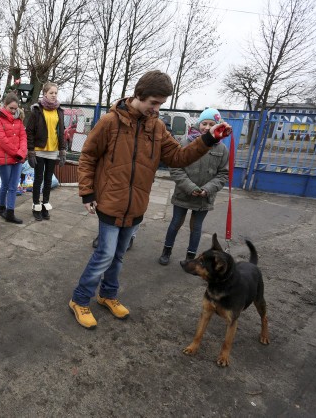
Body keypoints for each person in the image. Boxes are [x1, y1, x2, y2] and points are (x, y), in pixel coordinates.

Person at [69, 70, 232, 329]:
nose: (156, 109)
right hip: (110, 201)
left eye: (161, 104)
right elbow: (87, 156)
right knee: (104, 254)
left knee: (119, 255)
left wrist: (209, 139)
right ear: (138, 95)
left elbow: (178, 157)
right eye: (153, 103)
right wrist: (87, 192)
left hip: (136, 204)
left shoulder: (156, 127)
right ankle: (79, 299)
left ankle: (107, 295)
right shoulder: (110, 122)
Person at [158, 108, 229, 266]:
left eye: (212, 124)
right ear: (199, 123)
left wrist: (207, 189)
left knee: (196, 227)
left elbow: (223, 174)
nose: (207, 127)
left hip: (204, 197)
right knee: (176, 223)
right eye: (204, 123)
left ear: (217, 126)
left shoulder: (222, 149)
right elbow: (176, 167)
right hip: (184, 193)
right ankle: (166, 251)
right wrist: (190, 187)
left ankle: (191, 258)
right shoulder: (185, 142)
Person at [25, 82, 66, 221]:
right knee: (38, 179)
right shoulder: (37, 110)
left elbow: (61, 132)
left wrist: (62, 150)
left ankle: (44, 206)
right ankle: (35, 206)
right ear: (45, 94)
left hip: (53, 151)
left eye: (56, 93)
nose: (54, 95)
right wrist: (30, 151)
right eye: (51, 93)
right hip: (39, 150)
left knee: (48, 180)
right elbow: (29, 131)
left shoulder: (59, 110)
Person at [0, 92, 27, 224]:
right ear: (4, 106)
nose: (13, 111)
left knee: (13, 185)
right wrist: (16, 152)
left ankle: (10, 212)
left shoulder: (19, 119)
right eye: (11, 108)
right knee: (6, 184)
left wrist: (22, 152)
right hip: (4, 159)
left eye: (15, 108)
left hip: (18, 158)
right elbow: (1, 140)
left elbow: (23, 137)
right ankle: (2, 209)